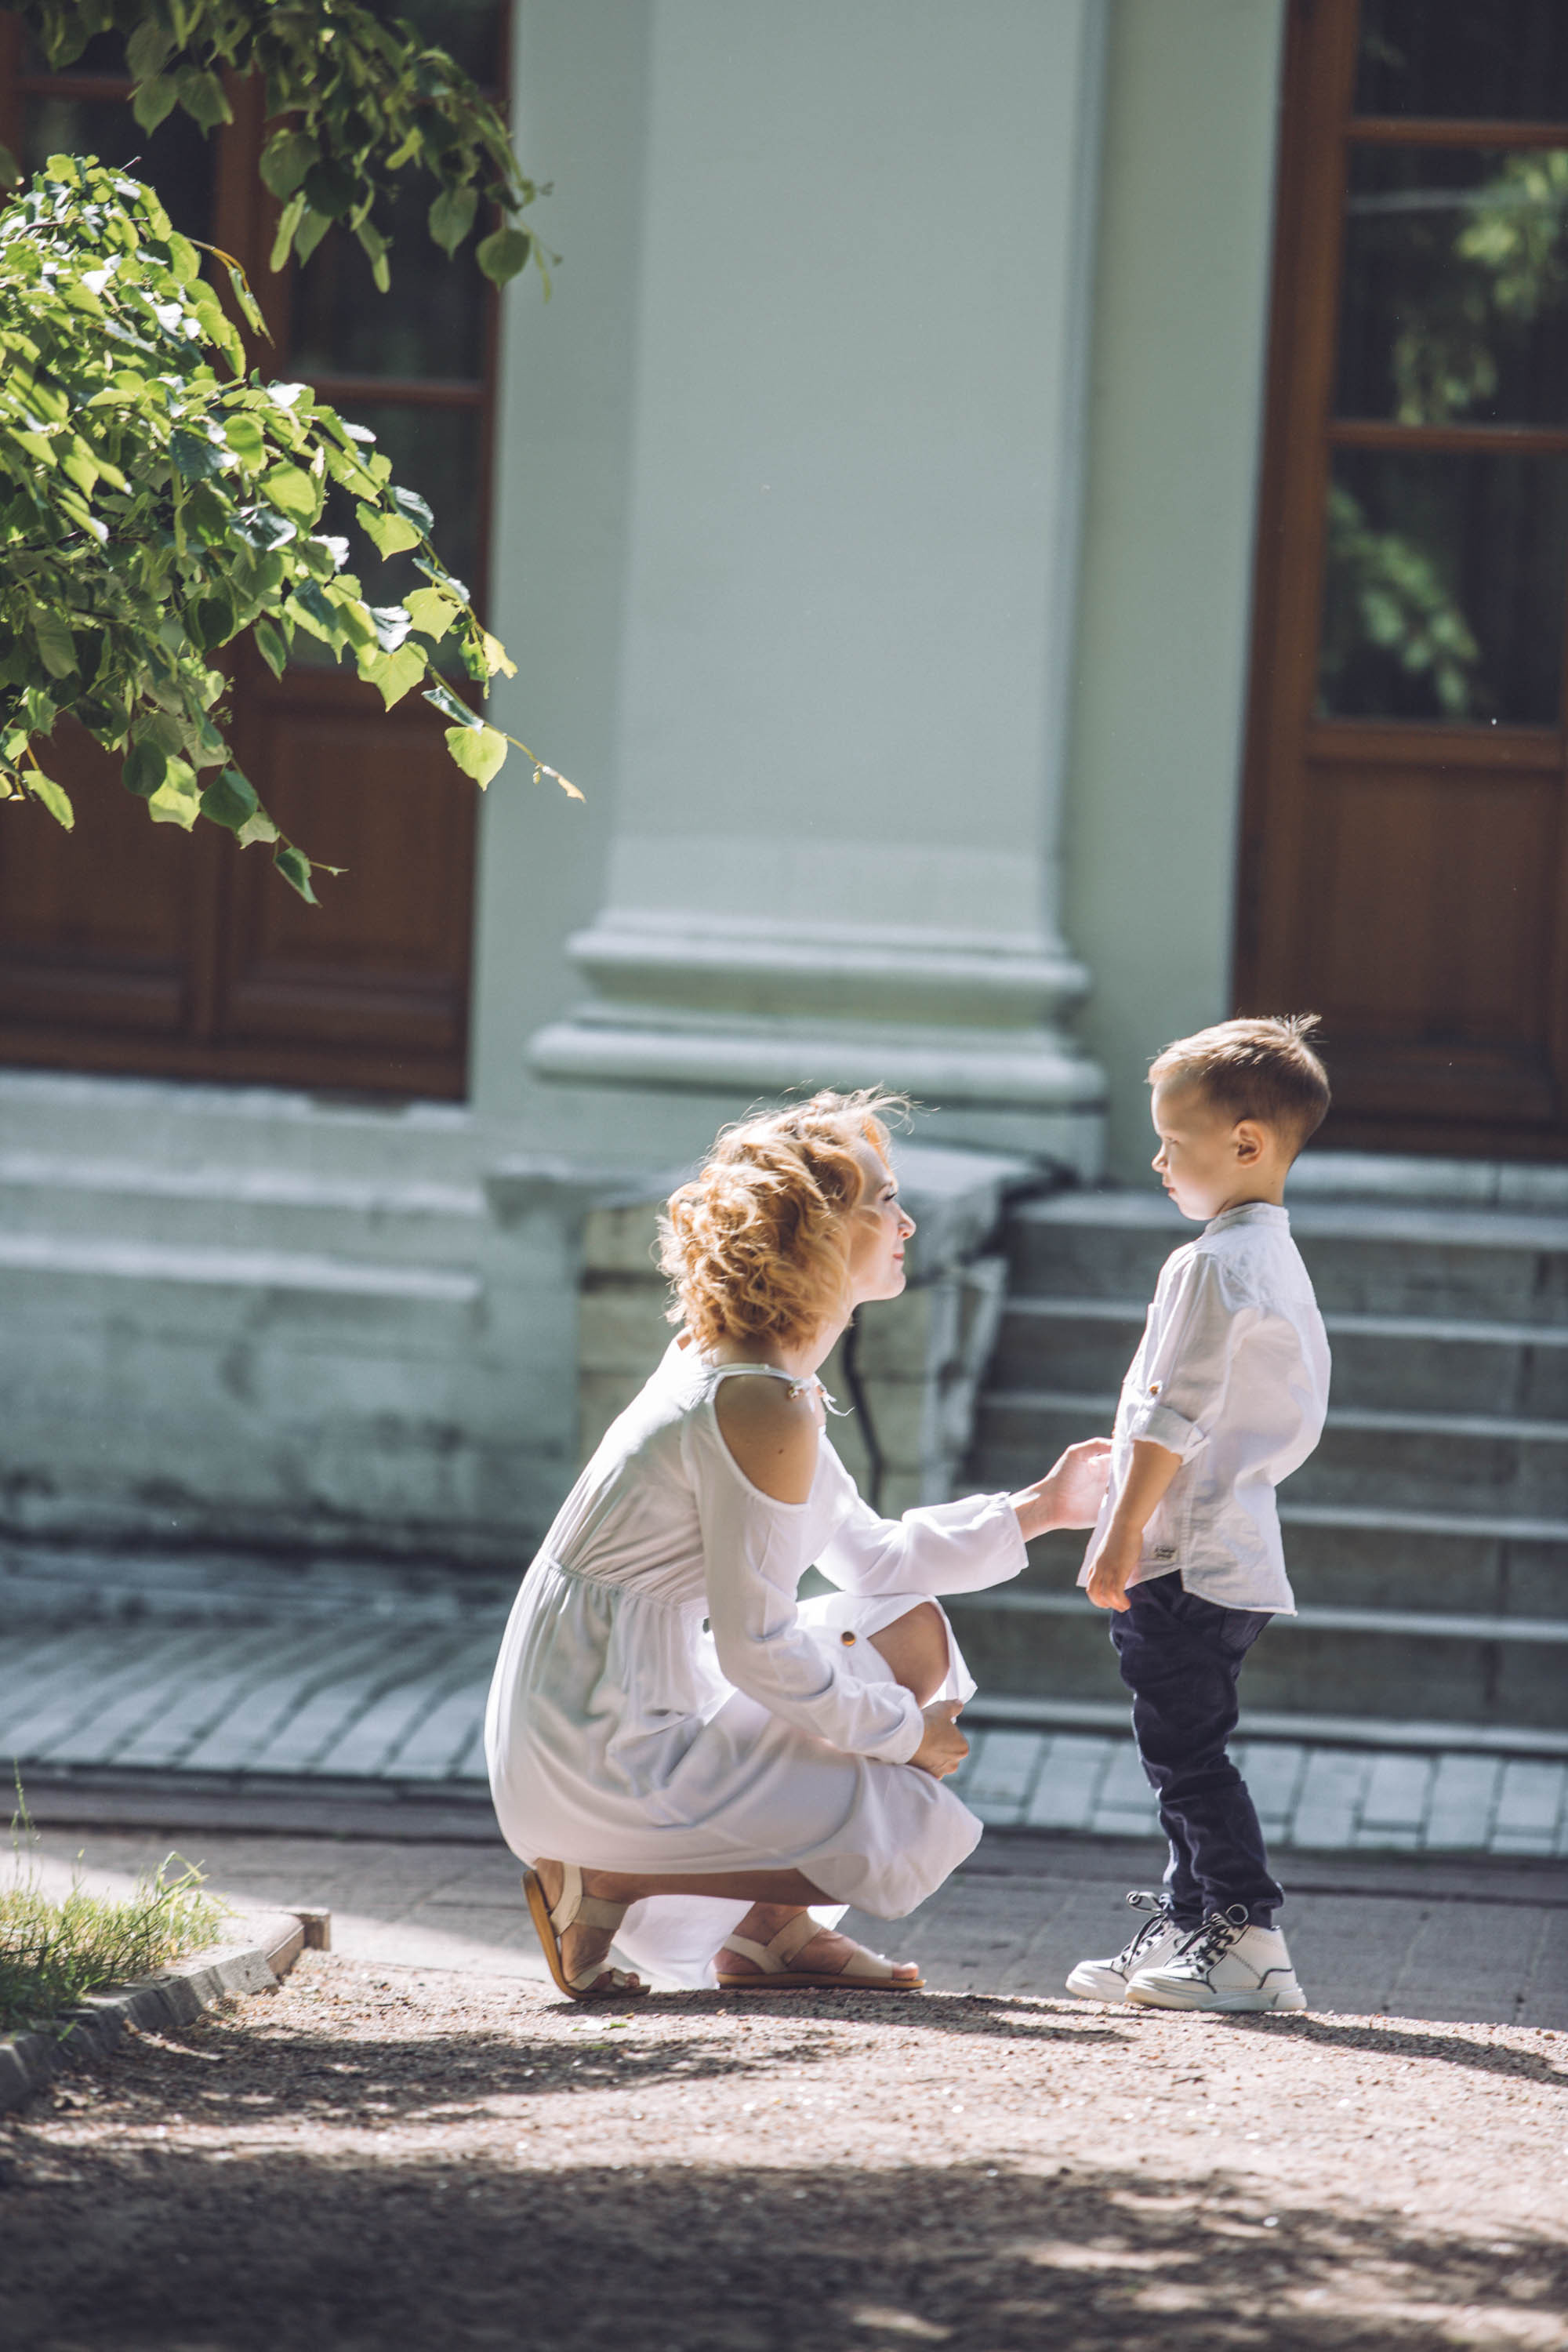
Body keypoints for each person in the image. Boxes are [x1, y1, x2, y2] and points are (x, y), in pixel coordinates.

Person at [485, 1089, 1111, 1998]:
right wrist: (903, 1736)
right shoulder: (754, 1399)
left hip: (597, 1717)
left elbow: (874, 1562)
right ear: (815, 1236)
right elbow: (753, 1648)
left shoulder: (755, 1373)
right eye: (881, 1202)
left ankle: (767, 1936)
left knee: (905, 1628)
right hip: (597, 1757)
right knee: (899, 1819)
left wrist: (1042, 1508)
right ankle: (605, 1882)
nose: (904, 1221)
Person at [1065, 1016, 1331, 2013]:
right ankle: (1192, 1927)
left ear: (1246, 1145)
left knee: (1184, 1756)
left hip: (1186, 1552)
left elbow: (1169, 1413)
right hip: (1231, 1549)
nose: (1156, 1159)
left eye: (1172, 1143)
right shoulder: (1271, 1256)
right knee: (1182, 1747)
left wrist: (1123, 1533)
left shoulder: (1212, 1264)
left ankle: (1247, 1936)